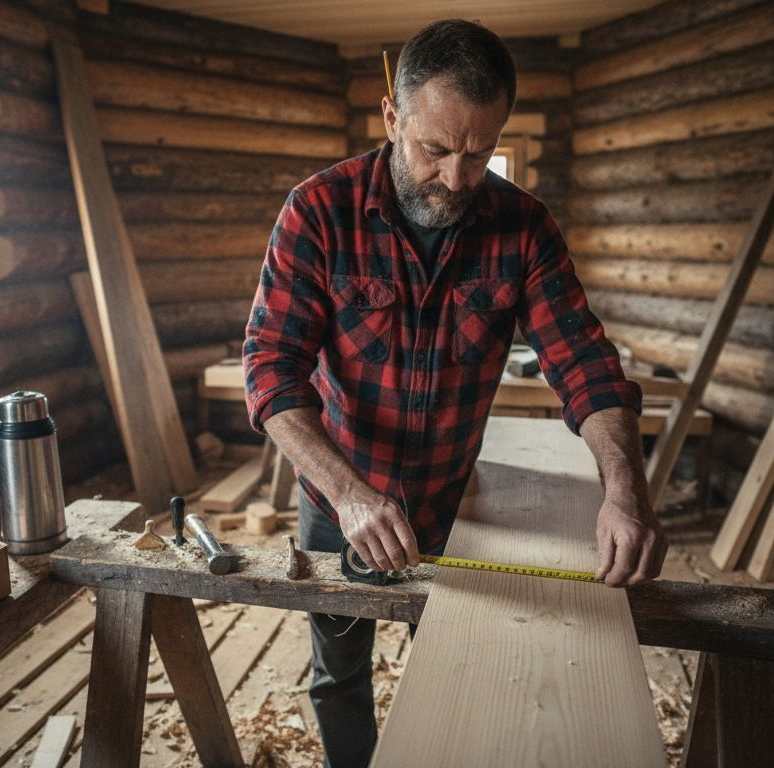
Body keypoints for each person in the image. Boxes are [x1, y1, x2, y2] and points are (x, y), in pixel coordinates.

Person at [242, 19, 666, 768]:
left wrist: (625, 489)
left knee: (449, 669)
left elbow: (588, 368)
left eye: (479, 153)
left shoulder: (524, 228)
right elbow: (272, 369)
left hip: (449, 499)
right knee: (338, 674)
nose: (456, 177)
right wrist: (348, 493)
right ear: (391, 116)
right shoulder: (318, 210)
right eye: (434, 149)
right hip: (337, 496)